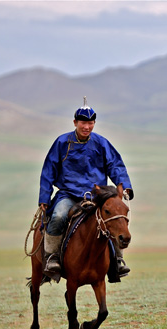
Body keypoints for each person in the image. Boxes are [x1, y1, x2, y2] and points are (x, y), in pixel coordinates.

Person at [38, 98, 133, 280]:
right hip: (69, 194)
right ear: (75, 123)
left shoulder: (101, 143)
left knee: (113, 218)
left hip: (96, 196)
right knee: (57, 216)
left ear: (94, 123)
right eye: (83, 123)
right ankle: (52, 257)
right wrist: (44, 197)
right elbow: (49, 170)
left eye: (90, 123)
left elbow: (115, 165)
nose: (86, 127)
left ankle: (118, 260)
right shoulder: (62, 142)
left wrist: (125, 186)